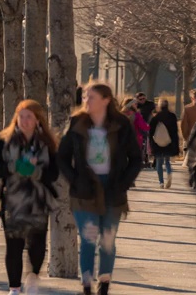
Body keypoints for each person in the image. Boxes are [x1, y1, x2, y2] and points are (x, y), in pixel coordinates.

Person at [57, 83, 142, 295]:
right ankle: (86, 286)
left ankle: (104, 284)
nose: (86, 100)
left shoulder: (121, 124)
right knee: (88, 239)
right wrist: (74, 180)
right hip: (84, 190)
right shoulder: (77, 122)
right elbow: (62, 156)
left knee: (107, 240)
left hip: (113, 189)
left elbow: (136, 158)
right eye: (85, 96)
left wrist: (124, 183)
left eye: (91, 97)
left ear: (106, 99)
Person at [0, 100, 59, 295]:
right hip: (13, 200)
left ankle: (33, 275)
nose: (25, 121)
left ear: (38, 120)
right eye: (21, 116)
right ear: (16, 119)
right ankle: (14, 288)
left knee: (37, 246)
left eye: (29, 117)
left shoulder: (47, 143)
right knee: (14, 246)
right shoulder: (4, 140)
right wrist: (14, 167)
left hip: (38, 200)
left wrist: (36, 171)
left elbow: (54, 173)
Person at [148, 99, 179, 189]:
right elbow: (175, 131)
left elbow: (151, 132)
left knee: (159, 163)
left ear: (159, 106)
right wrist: (175, 144)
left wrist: (151, 144)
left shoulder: (156, 117)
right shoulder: (172, 116)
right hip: (168, 142)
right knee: (167, 161)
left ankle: (161, 182)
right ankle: (169, 173)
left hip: (157, 143)